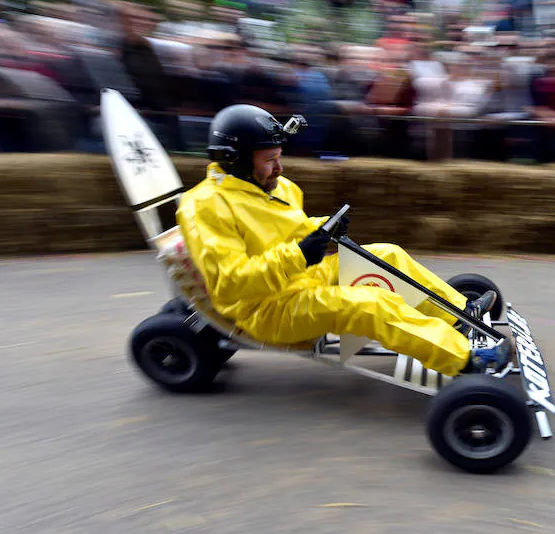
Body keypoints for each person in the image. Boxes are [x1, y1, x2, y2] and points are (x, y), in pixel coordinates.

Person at [176, 104, 512, 377]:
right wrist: (297, 255)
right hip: (264, 309)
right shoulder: (206, 206)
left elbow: (288, 230)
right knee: (367, 304)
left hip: (300, 279)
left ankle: (458, 318)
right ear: (235, 161)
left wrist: (323, 228)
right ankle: (465, 359)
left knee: (386, 255)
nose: (279, 168)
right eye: (269, 160)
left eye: (279, 156)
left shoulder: (275, 188)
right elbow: (229, 286)